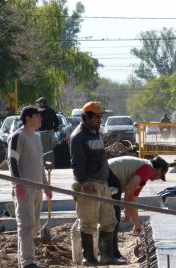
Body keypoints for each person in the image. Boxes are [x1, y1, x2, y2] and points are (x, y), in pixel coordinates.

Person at [69, 101, 125, 266]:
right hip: (89, 184)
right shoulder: (79, 136)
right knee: (88, 223)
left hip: (102, 183)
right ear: (87, 117)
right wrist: (84, 183)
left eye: (101, 117)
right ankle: (89, 258)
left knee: (109, 220)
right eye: (98, 117)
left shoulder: (95, 133)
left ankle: (106, 256)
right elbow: (77, 163)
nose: (100, 120)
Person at [8, 106, 52, 268]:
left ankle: (25, 261)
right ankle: (28, 262)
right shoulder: (18, 136)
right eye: (37, 116)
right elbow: (12, 161)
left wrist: (46, 185)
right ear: (28, 117)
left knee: (33, 227)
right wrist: (17, 183)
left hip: (37, 188)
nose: (41, 118)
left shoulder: (37, 137)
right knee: (26, 225)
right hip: (24, 188)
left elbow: (39, 164)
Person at [107, 155, 168, 260]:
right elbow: (129, 188)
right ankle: (112, 253)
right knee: (113, 217)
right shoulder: (148, 169)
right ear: (159, 170)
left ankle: (107, 251)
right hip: (109, 174)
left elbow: (133, 200)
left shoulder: (142, 172)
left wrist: (137, 224)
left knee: (110, 215)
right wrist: (126, 209)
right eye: (161, 176)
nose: (158, 179)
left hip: (107, 172)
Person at [36, 97, 59, 163]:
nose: (38, 104)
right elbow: (56, 120)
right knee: (51, 148)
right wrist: (55, 129)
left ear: (42, 103)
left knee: (44, 149)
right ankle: (52, 163)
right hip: (51, 131)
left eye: (39, 102)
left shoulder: (40, 111)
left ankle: (45, 163)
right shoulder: (51, 110)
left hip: (43, 132)